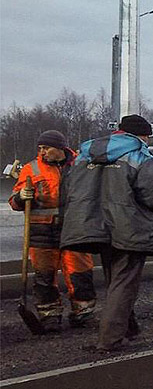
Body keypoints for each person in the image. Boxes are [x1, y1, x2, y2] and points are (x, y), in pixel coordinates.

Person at [61, 115, 153, 351]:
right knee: (123, 283)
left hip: (91, 224)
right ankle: (111, 339)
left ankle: (128, 328)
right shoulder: (140, 155)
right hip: (128, 226)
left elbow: (68, 188)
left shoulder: (85, 154)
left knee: (115, 280)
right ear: (142, 135)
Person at [9, 130, 96, 332]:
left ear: (60, 148)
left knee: (80, 273)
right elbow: (14, 202)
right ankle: (49, 316)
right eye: (40, 148)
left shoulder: (81, 166)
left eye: (46, 148)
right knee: (44, 277)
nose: (42, 152)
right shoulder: (31, 169)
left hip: (75, 229)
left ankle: (83, 313)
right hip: (42, 232)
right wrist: (22, 196)